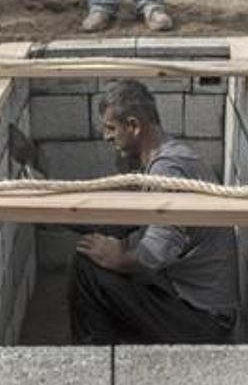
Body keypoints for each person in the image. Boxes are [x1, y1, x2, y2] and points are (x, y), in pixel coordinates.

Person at [71, 80, 238, 345]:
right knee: (101, 245)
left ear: (134, 126)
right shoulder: (171, 155)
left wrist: (119, 258)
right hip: (194, 305)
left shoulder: (167, 170)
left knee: (88, 268)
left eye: (111, 128)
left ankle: (95, 362)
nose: (107, 137)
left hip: (204, 322)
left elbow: (154, 255)